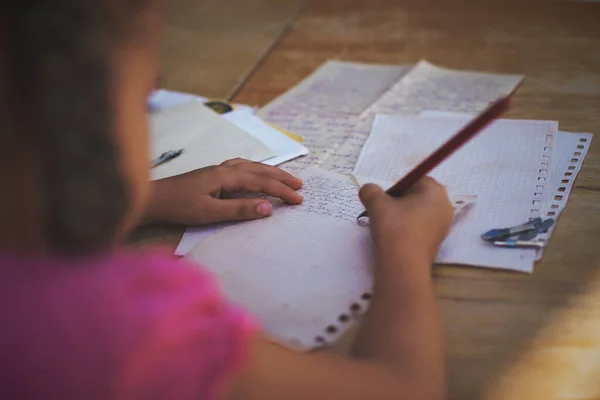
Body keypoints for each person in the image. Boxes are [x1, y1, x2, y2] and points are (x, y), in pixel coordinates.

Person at [0, 1, 454, 399]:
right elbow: (403, 390)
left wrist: (147, 197)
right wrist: (407, 251)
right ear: (83, 116)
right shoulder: (130, 329)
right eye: (145, 101)